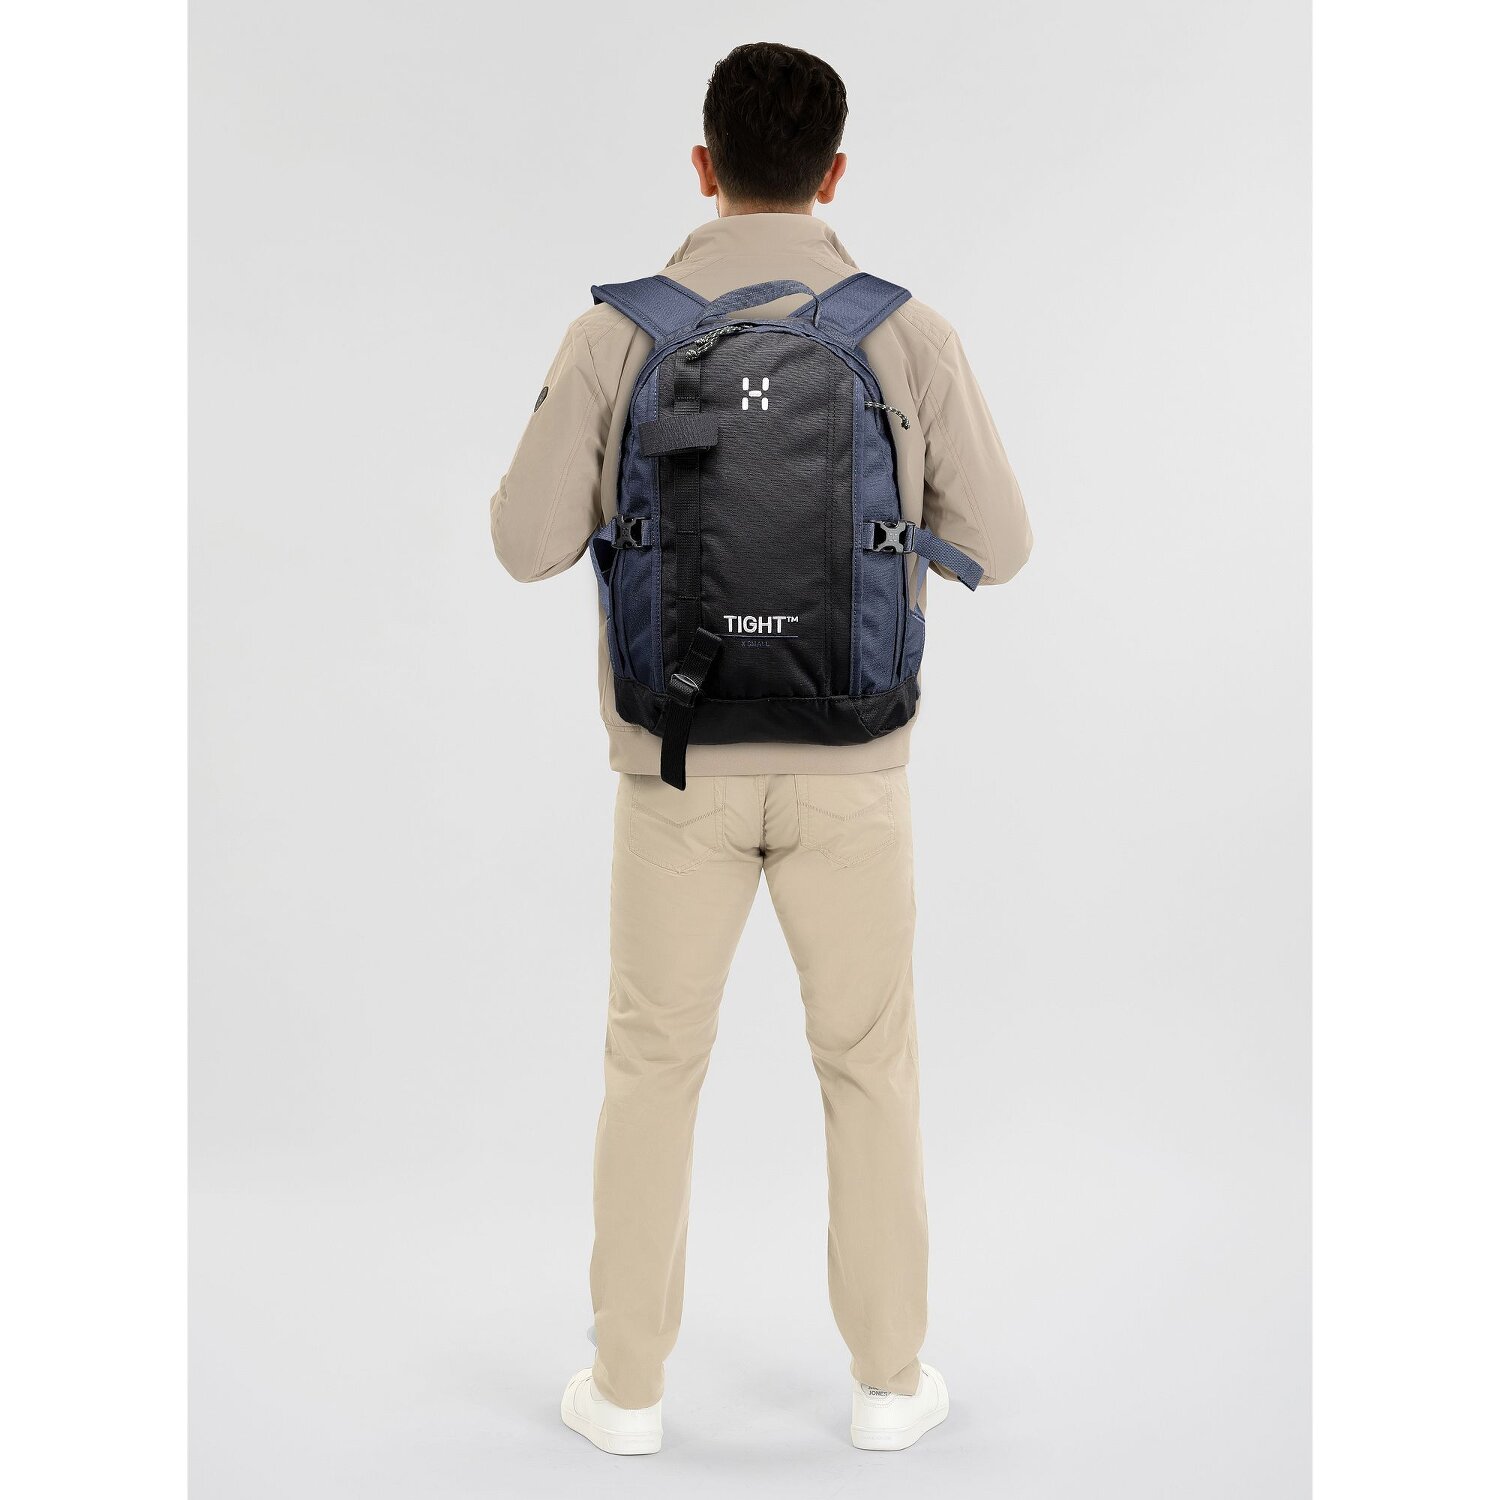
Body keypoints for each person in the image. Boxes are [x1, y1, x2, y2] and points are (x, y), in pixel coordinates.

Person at [491, 40, 1032, 1456]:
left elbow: (523, 544)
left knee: (653, 1064)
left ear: (703, 166)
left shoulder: (620, 335)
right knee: (868, 1064)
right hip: (855, 770)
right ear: (834, 174)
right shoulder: (904, 334)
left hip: (674, 767)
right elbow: (1003, 545)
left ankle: (626, 1393)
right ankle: (889, 1383)